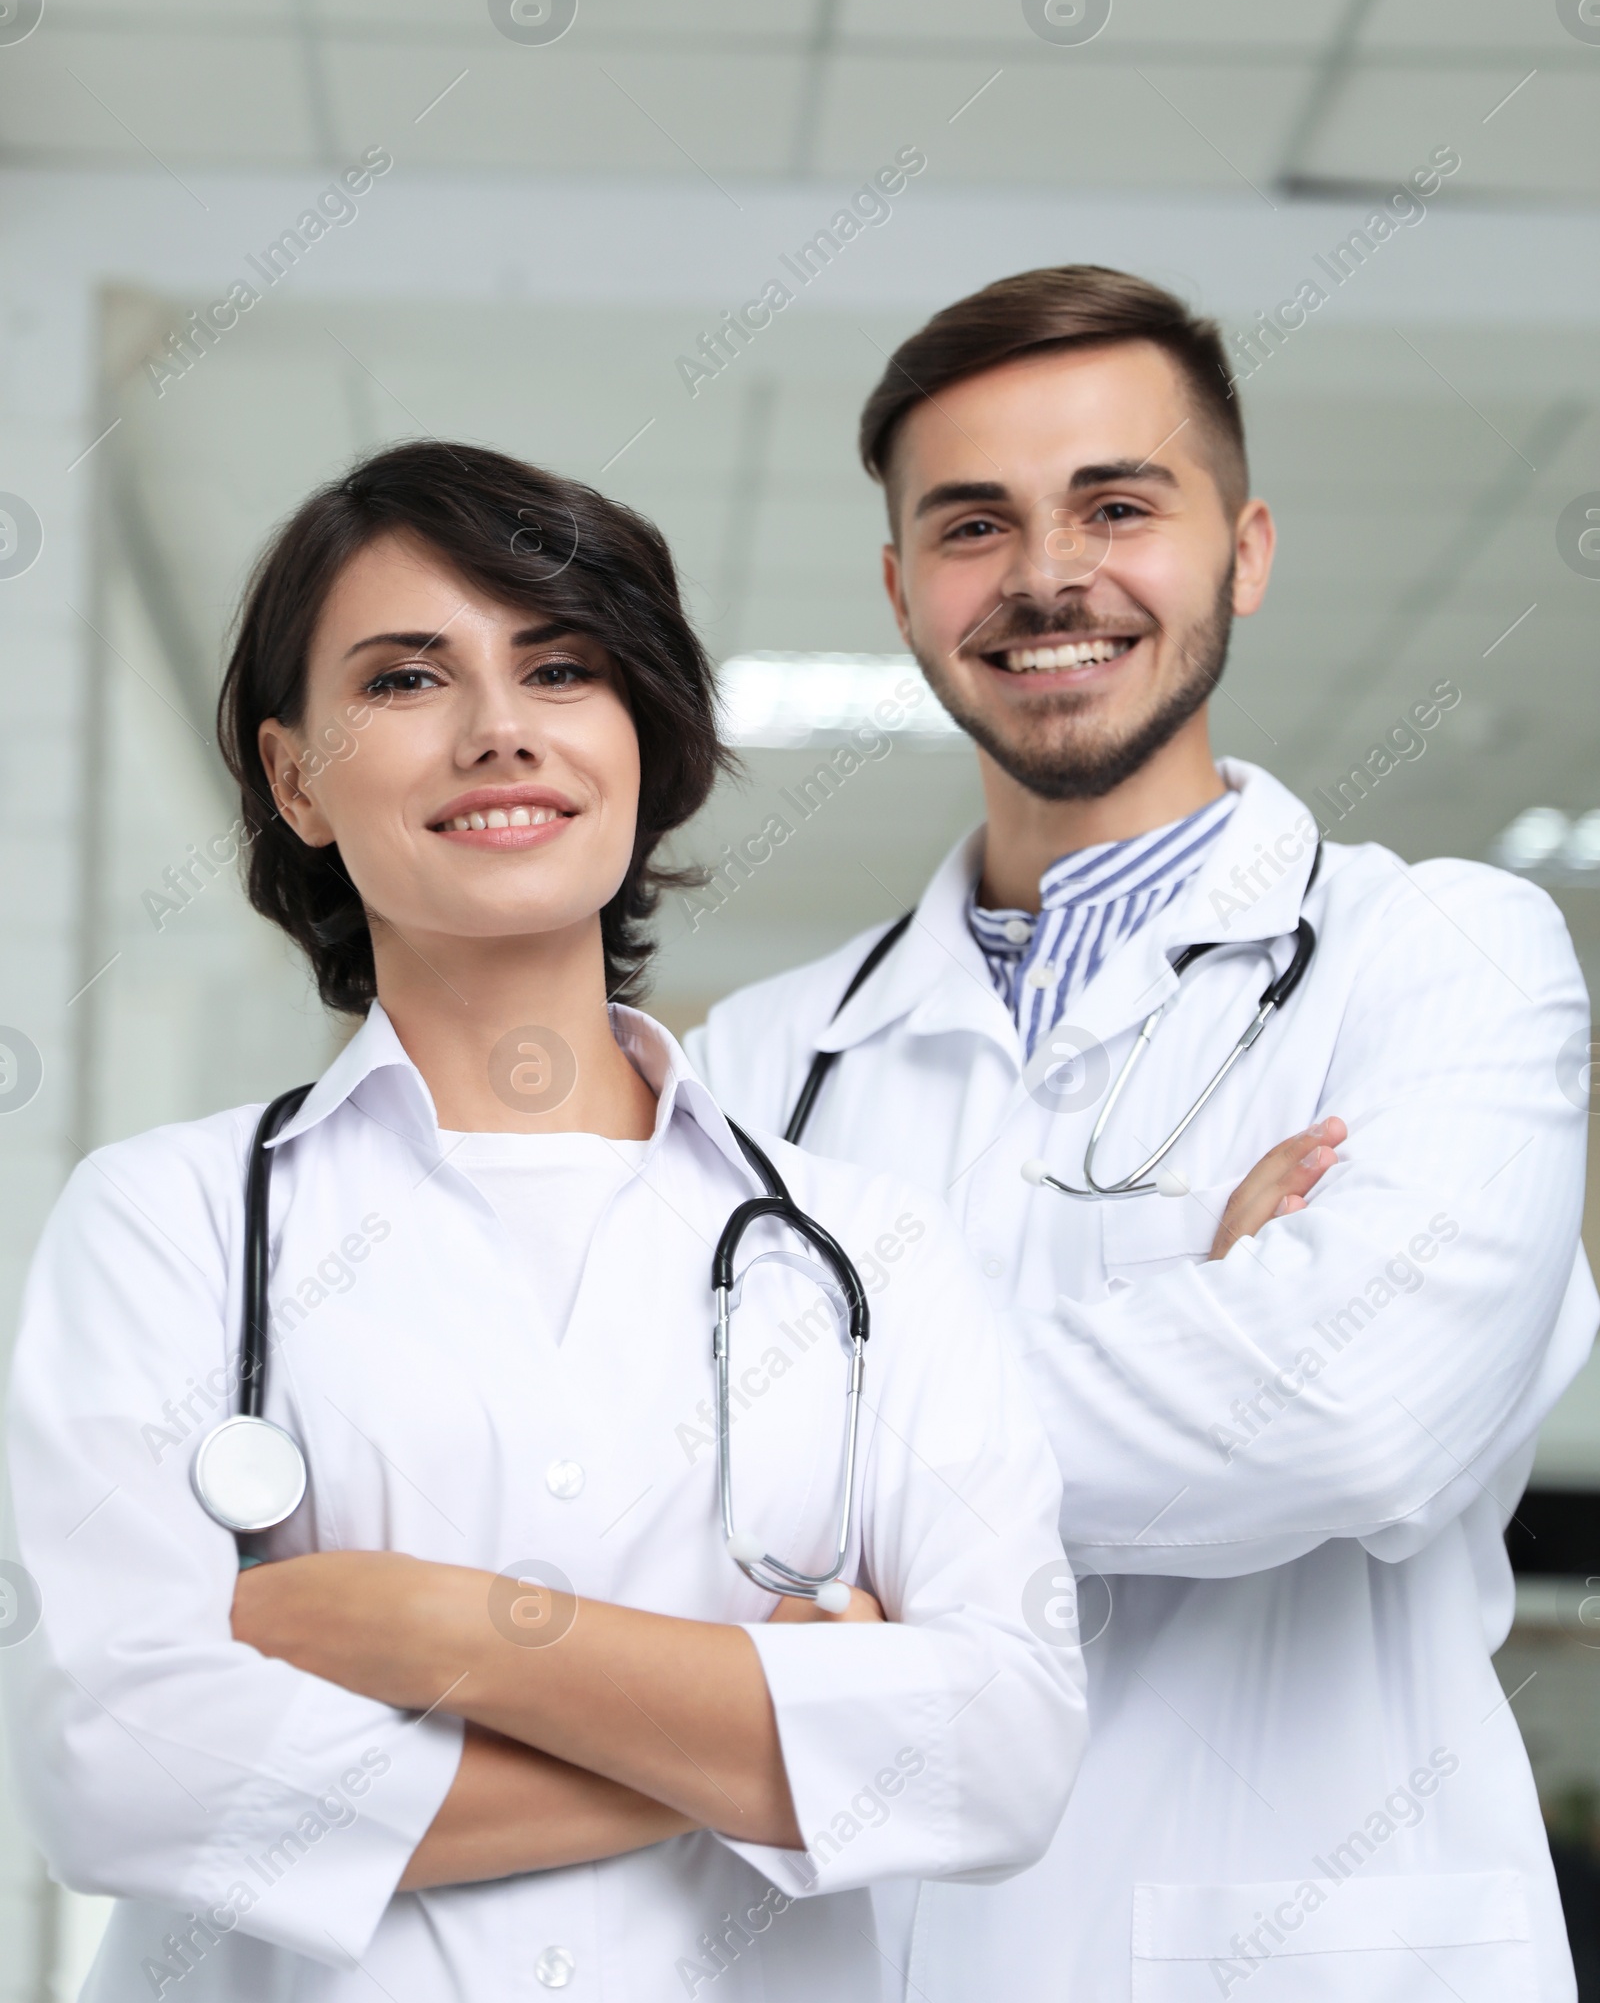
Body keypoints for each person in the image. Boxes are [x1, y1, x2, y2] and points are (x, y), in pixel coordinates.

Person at [4, 442, 1086, 2003]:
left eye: (561, 667)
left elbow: (1002, 1754)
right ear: (296, 775)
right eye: (404, 680)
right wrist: (784, 1723)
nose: (498, 731)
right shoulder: (167, 1224)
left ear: (639, 735)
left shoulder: (874, 1253)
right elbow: (114, 1768)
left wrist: (440, 1630)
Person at [691, 266, 1597, 2002]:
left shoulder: (1447, 959)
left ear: (1243, 549)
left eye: (1119, 504)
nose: (1047, 574)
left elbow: (1351, 1421)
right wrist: (1203, 1320)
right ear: (901, 590)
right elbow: (660, 1504)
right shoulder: (765, 1060)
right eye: (975, 524)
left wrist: (821, 1427)